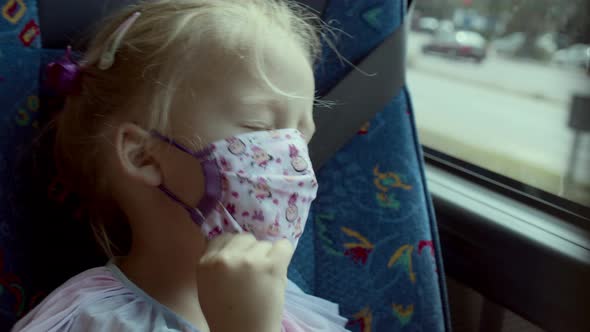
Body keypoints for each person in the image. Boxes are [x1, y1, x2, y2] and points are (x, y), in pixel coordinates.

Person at [12, 0, 349, 331]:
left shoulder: (287, 307)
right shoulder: (94, 321)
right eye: (259, 127)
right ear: (142, 155)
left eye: (300, 135)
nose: (292, 158)